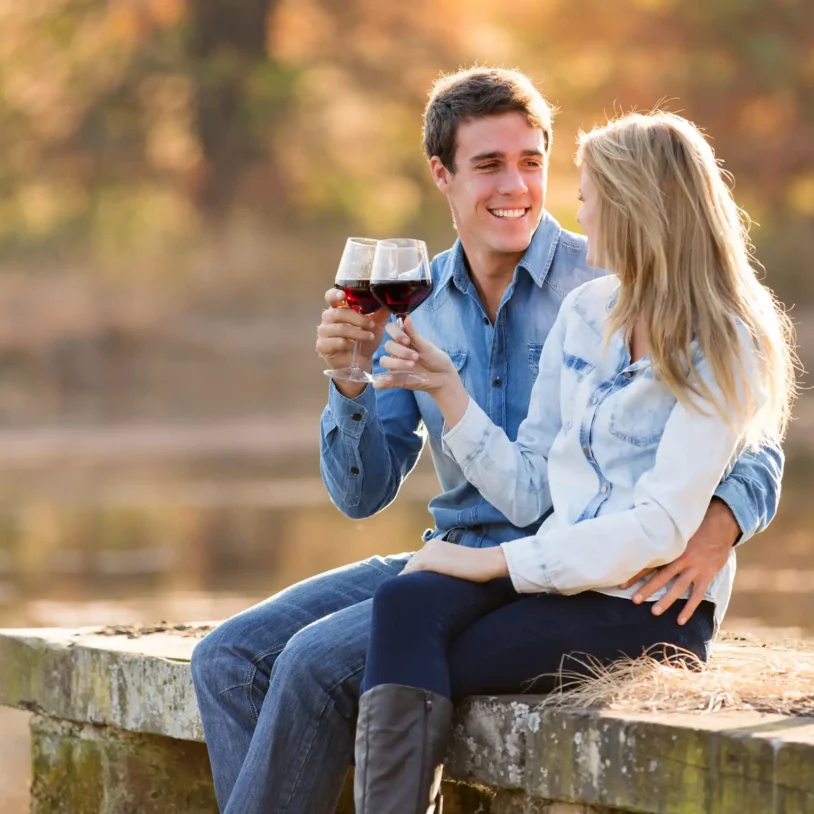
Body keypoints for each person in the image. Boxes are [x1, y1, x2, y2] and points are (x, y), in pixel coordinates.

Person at [190, 69, 784, 814]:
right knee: (228, 659)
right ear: (442, 174)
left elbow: (753, 436)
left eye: (532, 162)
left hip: (582, 568)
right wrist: (349, 384)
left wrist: (721, 523)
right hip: (459, 549)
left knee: (316, 664)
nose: (520, 187)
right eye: (490, 164)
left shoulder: (612, 274)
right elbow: (363, 495)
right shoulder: (413, 297)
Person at [356, 109, 797, 811]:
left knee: (432, 656)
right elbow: (530, 490)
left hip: (648, 604)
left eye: (589, 196)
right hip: (561, 576)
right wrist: (448, 391)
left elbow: (660, 526)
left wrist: (491, 563)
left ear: (635, 206)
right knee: (406, 601)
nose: (579, 213)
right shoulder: (589, 311)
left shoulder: (725, 343)